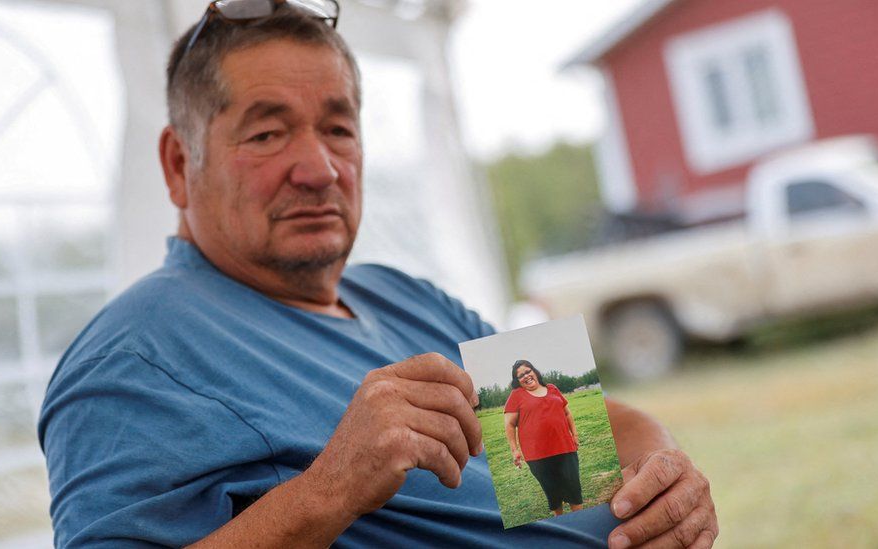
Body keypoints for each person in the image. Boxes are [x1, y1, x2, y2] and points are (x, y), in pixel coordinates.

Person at [38, 1, 719, 548]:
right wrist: (329, 490)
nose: (320, 169)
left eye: (338, 129)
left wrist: (665, 478)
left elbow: (591, 440)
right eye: (267, 133)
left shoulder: (403, 295)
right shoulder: (130, 357)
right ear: (178, 166)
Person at [505, 360, 583, 517]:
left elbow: (567, 413)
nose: (526, 376)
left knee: (574, 491)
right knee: (553, 495)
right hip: (537, 456)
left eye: (528, 371)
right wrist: (515, 450)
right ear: (517, 380)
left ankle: (580, 521)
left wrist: (574, 435)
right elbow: (509, 425)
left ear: (534, 371)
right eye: (521, 375)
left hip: (565, 447)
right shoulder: (516, 395)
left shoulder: (552, 389)